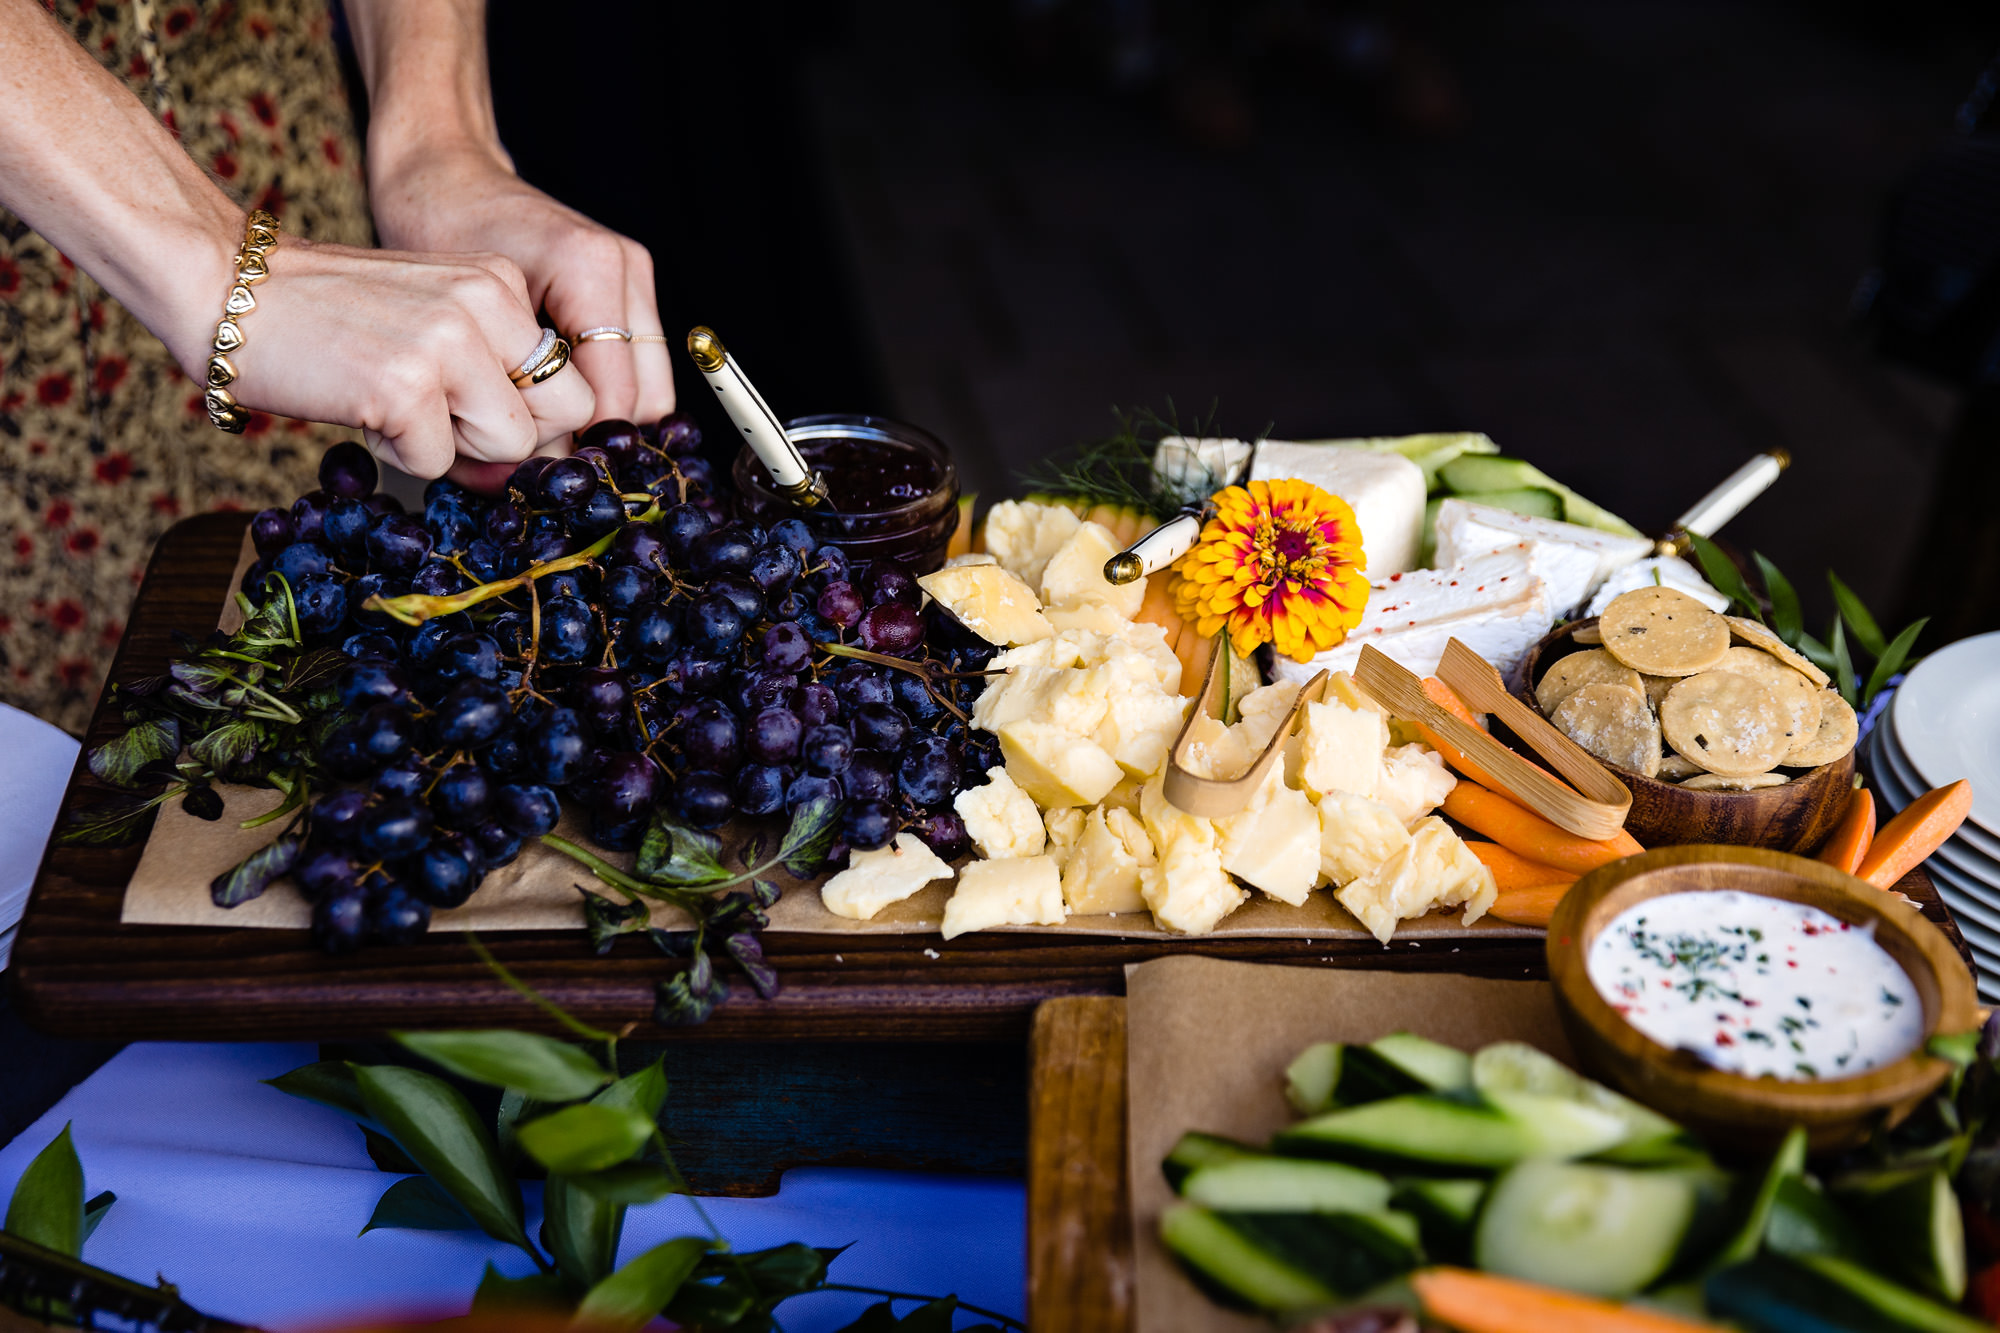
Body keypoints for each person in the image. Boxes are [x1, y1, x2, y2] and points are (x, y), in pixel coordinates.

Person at [0, 0, 674, 733]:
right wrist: (219, 263)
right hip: (30, 345)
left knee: (310, 636)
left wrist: (437, 138)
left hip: (270, 128)